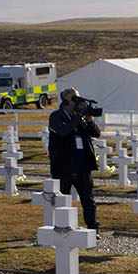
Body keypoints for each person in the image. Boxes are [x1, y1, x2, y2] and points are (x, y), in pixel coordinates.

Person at [47, 88, 102, 230]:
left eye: (79, 98)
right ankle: (62, 228)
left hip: (83, 166)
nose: (78, 102)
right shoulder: (56, 116)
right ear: (65, 101)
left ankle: (93, 228)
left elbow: (96, 133)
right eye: (74, 99)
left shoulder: (82, 118)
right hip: (63, 167)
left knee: (88, 201)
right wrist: (77, 118)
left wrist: (89, 120)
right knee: (62, 200)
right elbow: (62, 131)